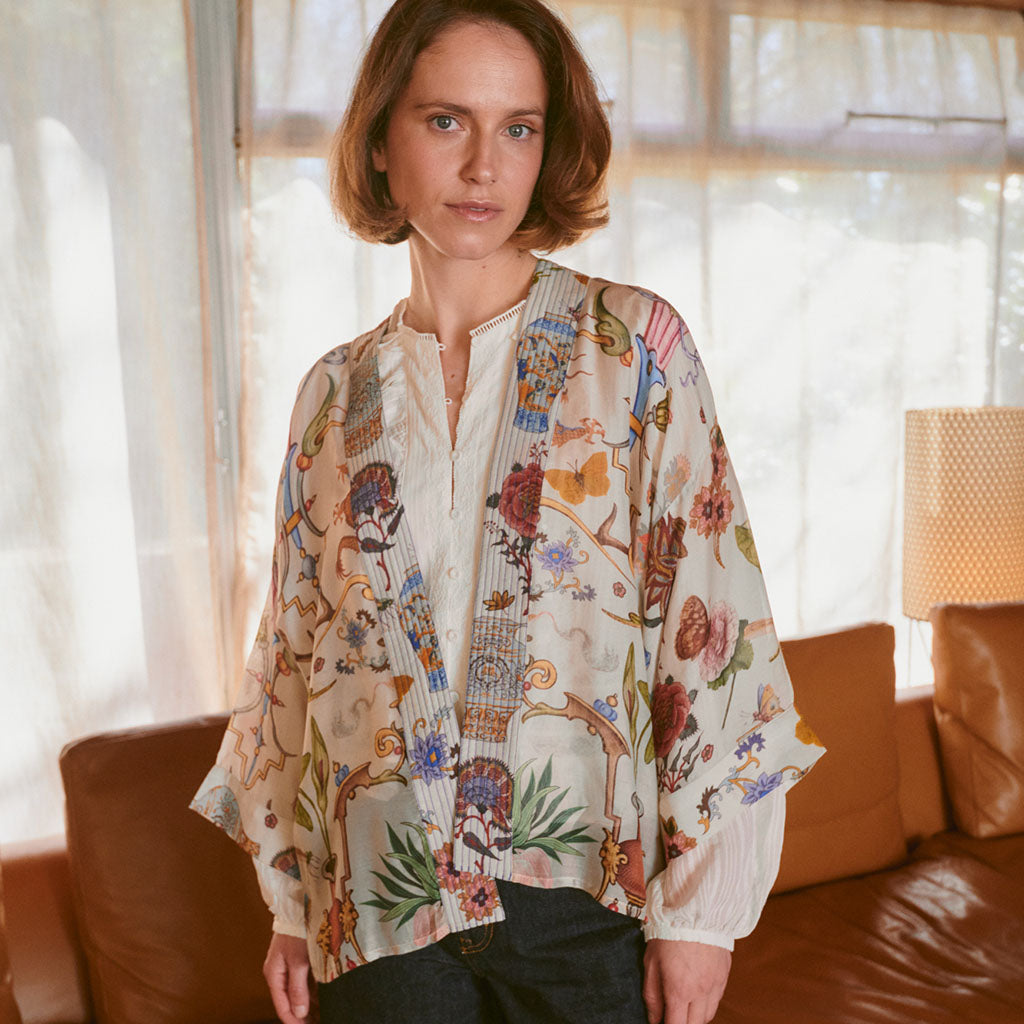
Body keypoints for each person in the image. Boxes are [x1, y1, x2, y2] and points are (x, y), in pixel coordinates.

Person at [191, 2, 825, 1022]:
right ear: (382, 141)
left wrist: (702, 918)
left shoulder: (634, 348)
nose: (484, 165)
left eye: (518, 128)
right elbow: (297, 655)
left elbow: (709, 623)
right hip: (378, 913)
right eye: (446, 120)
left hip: (584, 916)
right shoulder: (331, 395)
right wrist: (293, 906)